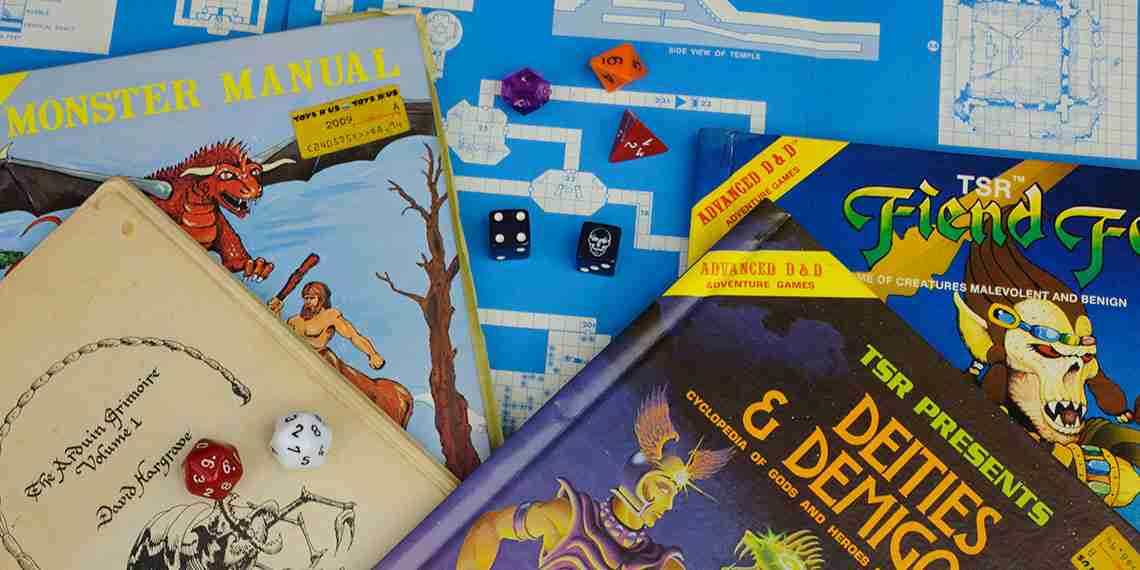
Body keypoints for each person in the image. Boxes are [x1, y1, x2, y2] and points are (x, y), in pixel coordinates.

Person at [455, 386, 734, 569]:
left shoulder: (658, 563)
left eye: (673, 493)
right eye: (664, 489)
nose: (669, 504)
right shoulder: (569, 518)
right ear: (640, 478)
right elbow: (488, 527)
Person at [269, 281, 413, 427]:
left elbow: (353, 336)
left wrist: (372, 354)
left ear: (321, 299)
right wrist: (276, 315)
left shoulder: (330, 316)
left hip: (323, 358)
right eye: (306, 298)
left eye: (312, 298)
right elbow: (287, 340)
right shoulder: (294, 321)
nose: (308, 302)